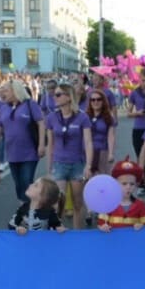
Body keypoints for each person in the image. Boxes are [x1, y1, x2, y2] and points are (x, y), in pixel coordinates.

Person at [45, 84, 93, 230]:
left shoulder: (82, 117)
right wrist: (49, 168)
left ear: (68, 97)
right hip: (59, 164)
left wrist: (88, 165)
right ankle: (57, 229)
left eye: (58, 94)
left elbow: (88, 142)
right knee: (58, 201)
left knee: (78, 202)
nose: (55, 97)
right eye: (55, 94)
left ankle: (77, 232)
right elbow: (50, 145)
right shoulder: (52, 117)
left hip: (77, 164)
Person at [97, 158, 145, 231]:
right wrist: (103, 227)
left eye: (132, 184)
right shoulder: (108, 204)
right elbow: (100, 224)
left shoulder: (141, 205)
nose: (128, 187)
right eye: (124, 184)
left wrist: (142, 226)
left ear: (136, 185)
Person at [86, 88, 116, 178]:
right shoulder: (85, 116)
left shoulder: (108, 116)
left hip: (103, 151)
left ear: (103, 101)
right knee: (88, 179)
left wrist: (111, 153)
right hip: (87, 153)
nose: (96, 102)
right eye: (93, 100)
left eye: (99, 99)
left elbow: (111, 136)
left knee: (103, 178)